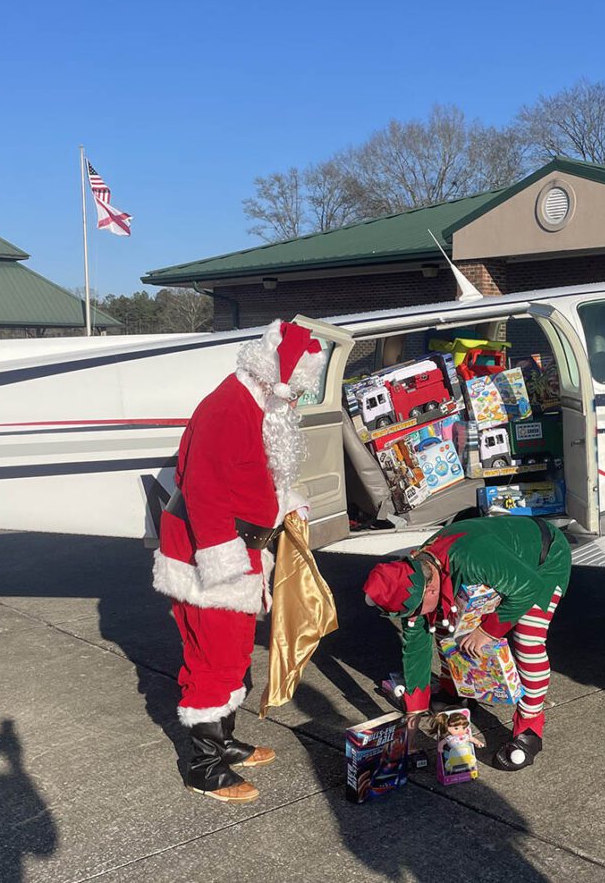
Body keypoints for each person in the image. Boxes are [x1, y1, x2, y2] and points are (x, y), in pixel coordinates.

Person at [152, 319, 325, 802]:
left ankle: (223, 743)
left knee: (230, 654)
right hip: (212, 557)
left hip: (234, 550)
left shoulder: (257, 404)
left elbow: (250, 476)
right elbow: (204, 490)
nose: (295, 406)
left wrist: (283, 503)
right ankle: (203, 768)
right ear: (277, 378)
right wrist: (226, 569)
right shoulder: (230, 407)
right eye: (296, 395)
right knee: (214, 658)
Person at [362, 515, 572, 771]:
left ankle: (530, 728)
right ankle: (454, 691)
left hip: (543, 559)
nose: (412, 618)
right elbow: (416, 649)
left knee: (529, 639)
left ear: (429, 590)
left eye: (415, 611)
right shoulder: (413, 581)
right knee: (444, 625)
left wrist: (489, 631)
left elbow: (529, 587)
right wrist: (412, 719)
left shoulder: (472, 558)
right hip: (502, 565)